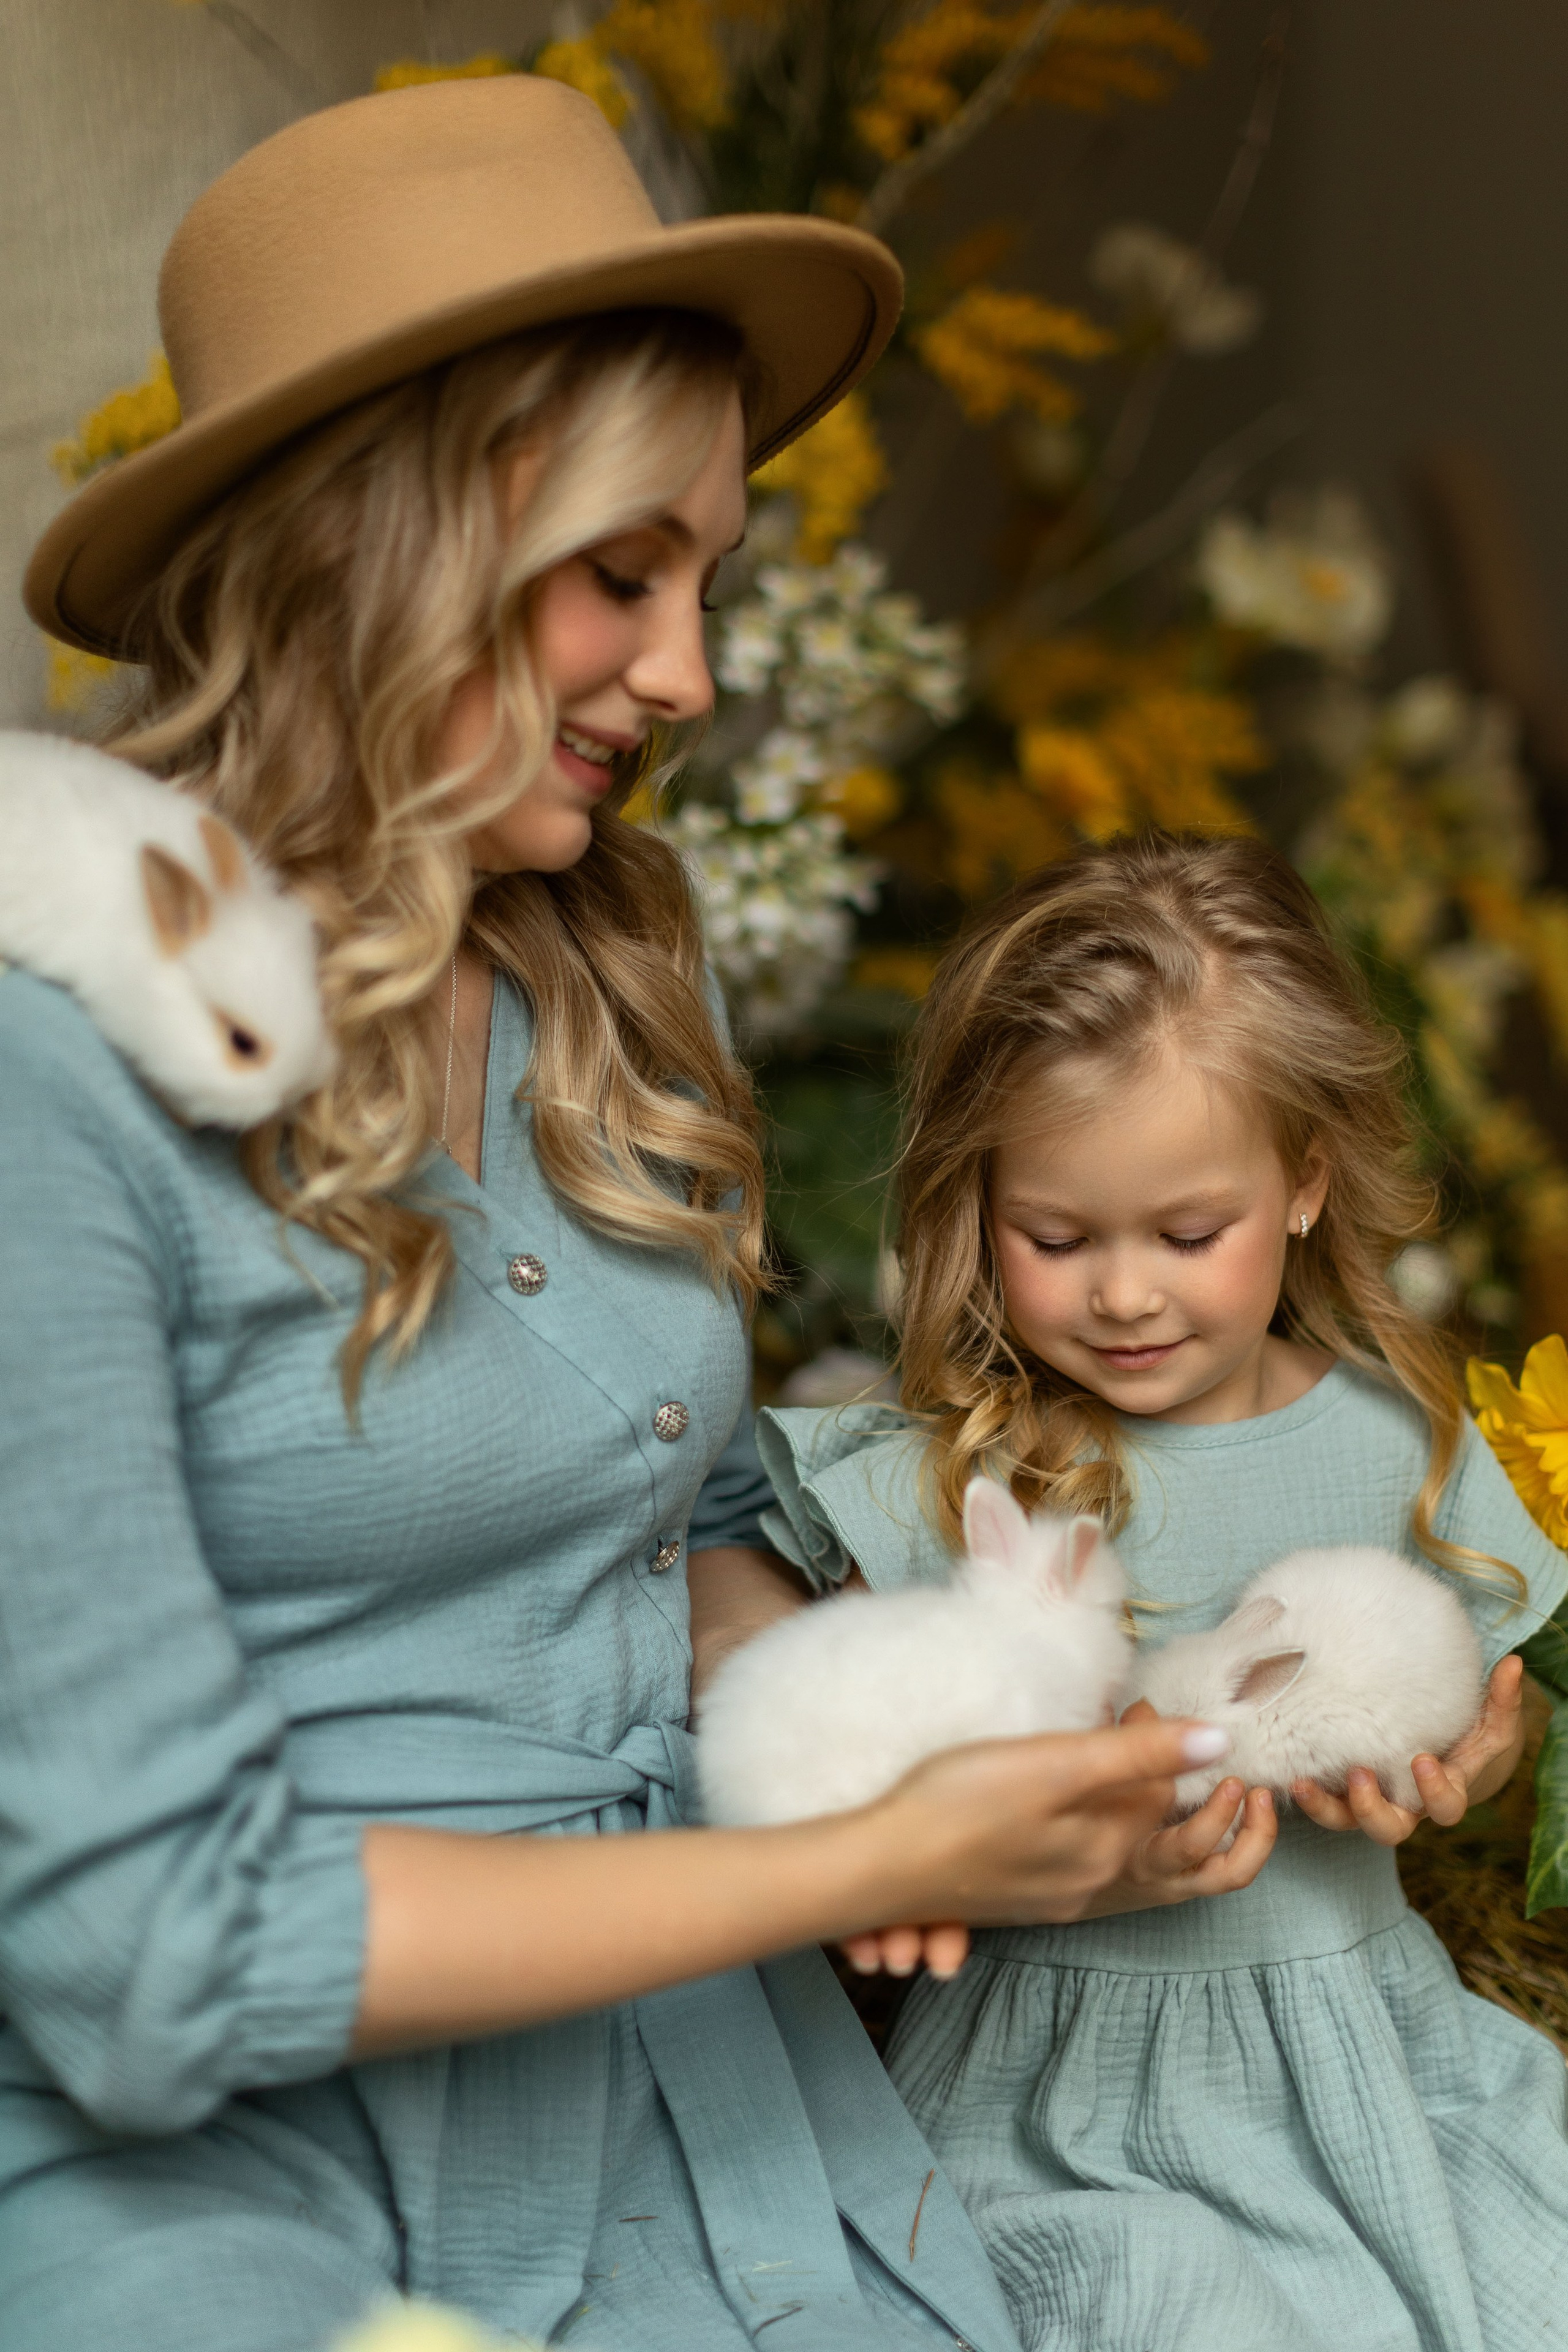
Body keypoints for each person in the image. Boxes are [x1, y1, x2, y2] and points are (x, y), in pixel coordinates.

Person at [0, 78, 1222, 2352]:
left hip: (687, 2105)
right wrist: (850, 1865)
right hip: (228, 2204)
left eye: (713, 586)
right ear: (392, 546)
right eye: (623, 576)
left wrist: (952, 1739)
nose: (692, 679)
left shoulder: (594, 979)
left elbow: (684, 1535)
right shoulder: (48, 1066)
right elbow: (152, 1971)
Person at [751, 831, 1568, 2352]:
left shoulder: (1397, 1439)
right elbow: (819, 1733)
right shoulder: (949, 1480)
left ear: (1307, 1181)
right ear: (971, 1200)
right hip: (1060, 2085)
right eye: (1053, 1239)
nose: (1122, 1294)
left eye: (1188, 1235)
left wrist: (1465, 1759)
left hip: (1361, 2042)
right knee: (1169, 2307)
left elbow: (1489, 1707)